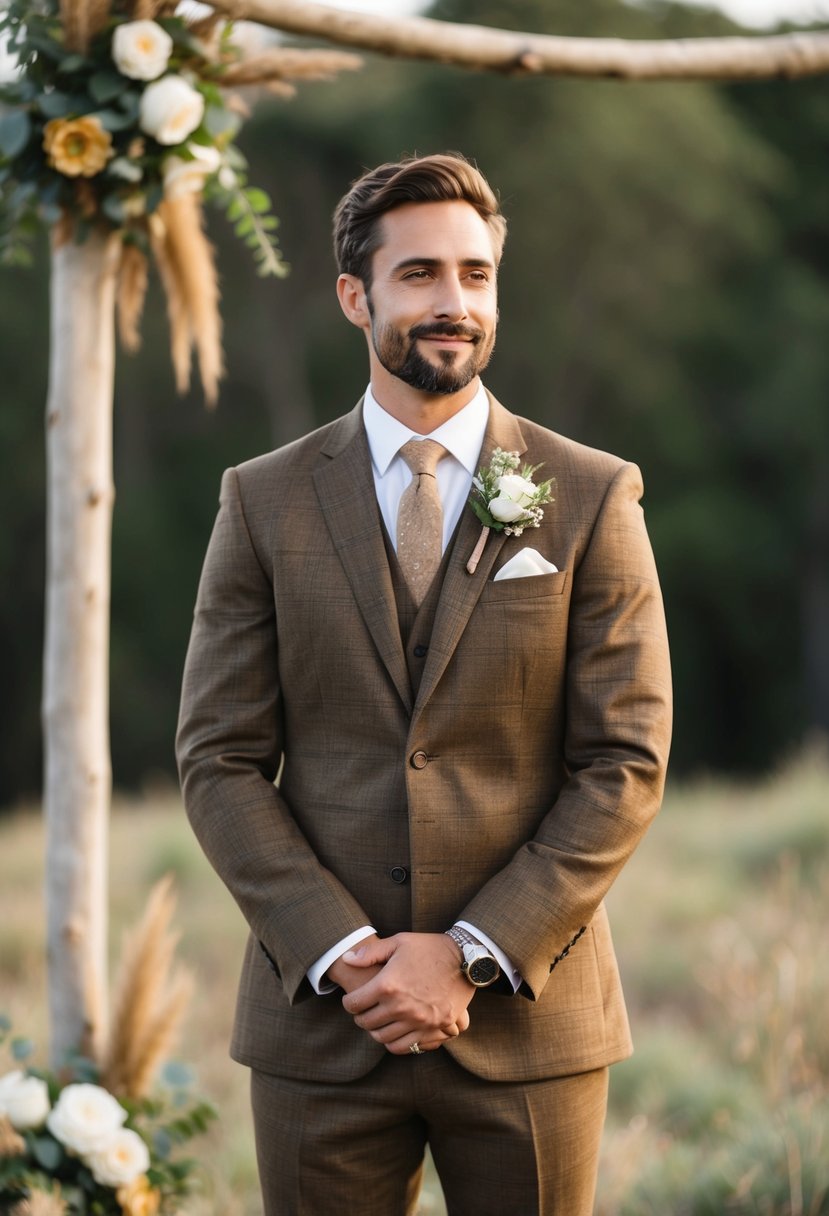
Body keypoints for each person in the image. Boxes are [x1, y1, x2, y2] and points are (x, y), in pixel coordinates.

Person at [176, 151, 672, 1216]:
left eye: (476, 275)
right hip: (323, 1022)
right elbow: (218, 759)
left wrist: (471, 952)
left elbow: (622, 760)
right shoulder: (261, 502)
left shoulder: (589, 495)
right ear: (355, 295)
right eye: (419, 275)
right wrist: (343, 950)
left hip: (530, 1019)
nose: (454, 303)